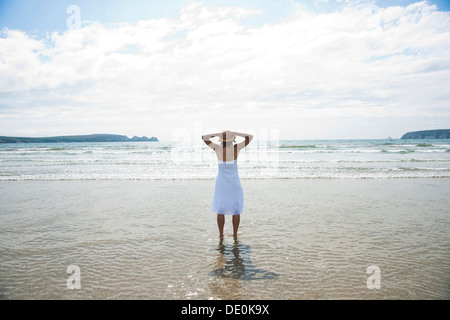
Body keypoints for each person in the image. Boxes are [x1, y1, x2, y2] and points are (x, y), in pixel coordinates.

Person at [202, 130, 253, 239]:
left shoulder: (217, 148)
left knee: (220, 210)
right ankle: (235, 235)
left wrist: (218, 134)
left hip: (221, 183)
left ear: (221, 139)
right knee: (236, 210)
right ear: (232, 139)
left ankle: (221, 235)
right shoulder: (236, 148)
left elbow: (204, 138)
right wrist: (234, 132)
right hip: (234, 182)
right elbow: (250, 137)